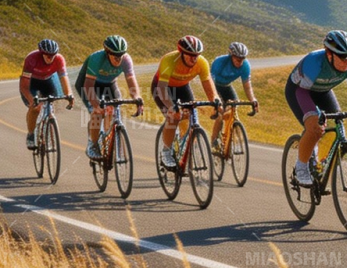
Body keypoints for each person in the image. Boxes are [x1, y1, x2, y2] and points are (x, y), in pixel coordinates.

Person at [286, 29, 347, 187]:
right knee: (315, 128)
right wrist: (313, 120)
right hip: (300, 90)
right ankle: (301, 168)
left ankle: (319, 165)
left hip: (323, 91)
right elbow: (302, 92)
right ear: (329, 53)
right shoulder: (314, 62)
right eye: (343, 56)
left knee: (338, 126)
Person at [151, 35, 216, 170]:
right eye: (190, 55)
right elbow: (162, 88)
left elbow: (208, 84)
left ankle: (184, 143)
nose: (194, 58)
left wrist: (215, 101)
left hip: (182, 87)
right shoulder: (169, 60)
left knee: (191, 114)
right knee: (173, 116)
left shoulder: (202, 62)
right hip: (163, 88)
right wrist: (171, 107)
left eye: (196, 55)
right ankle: (166, 152)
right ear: (181, 53)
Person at [76, 35, 143, 159]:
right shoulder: (97, 58)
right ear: (107, 53)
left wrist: (137, 98)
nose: (119, 59)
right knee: (97, 113)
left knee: (114, 111)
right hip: (89, 84)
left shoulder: (126, 60)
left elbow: (131, 81)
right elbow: (88, 85)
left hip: (109, 83)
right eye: (115, 56)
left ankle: (107, 137)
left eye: (121, 55)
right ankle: (92, 144)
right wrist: (96, 106)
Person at [20, 38, 73, 147]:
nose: (50, 58)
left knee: (51, 101)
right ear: (42, 53)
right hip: (32, 82)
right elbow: (24, 86)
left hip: (48, 80)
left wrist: (69, 94)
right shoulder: (31, 58)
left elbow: (64, 78)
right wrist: (31, 100)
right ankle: (31, 134)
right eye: (48, 55)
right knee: (35, 108)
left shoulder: (59, 59)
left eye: (53, 55)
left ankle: (48, 120)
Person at [210, 40, 257, 157]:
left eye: (242, 59)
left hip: (227, 87)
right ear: (231, 56)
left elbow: (247, 86)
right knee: (221, 113)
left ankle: (233, 139)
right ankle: (214, 141)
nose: (240, 62)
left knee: (233, 109)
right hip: (214, 86)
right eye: (237, 59)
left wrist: (253, 100)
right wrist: (215, 102)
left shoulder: (245, 66)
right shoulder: (219, 62)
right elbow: (209, 83)